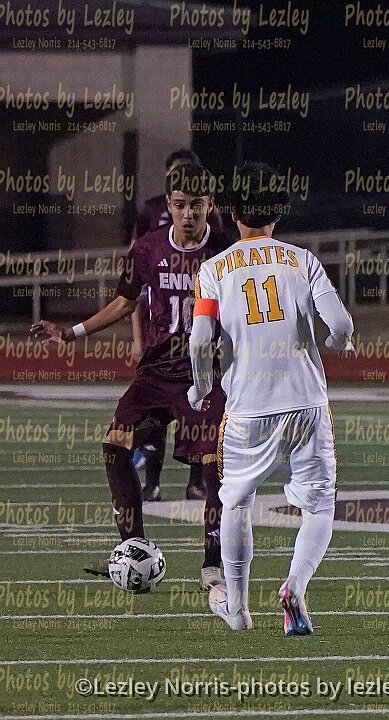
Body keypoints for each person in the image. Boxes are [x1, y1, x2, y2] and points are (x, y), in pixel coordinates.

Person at [31, 164, 227, 591]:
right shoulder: (148, 248)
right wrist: (71, 332)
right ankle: (132, 547)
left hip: (206, 377)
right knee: (114, 446)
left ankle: (213, 564)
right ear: (168, 205)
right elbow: (124, 302)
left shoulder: (226, 250)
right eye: (180, 205)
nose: (188, 214)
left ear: (210, 205)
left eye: (197, 205)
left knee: (214, 467)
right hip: (155, 374)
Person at [187, 162, 355, 633]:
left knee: (237, 503)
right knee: (319, 507)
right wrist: (337, 343)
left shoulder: (213, 269)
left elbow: (200, 341)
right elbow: (341, 325)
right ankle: (295, 586)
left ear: (231, 213)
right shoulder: (303, 260)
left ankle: (238, 609)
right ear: (278, 212)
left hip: (247, 408)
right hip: (306, 404)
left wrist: (201, 387)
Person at [131, 148, 222, 503]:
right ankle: (151, 481)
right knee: (154, 415)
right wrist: (137, 337)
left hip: (200, 332)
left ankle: (197, 481)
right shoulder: (151, 212)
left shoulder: (210, 222)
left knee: (200, 411)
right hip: (162, 331)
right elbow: (136, 285)